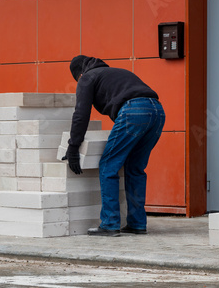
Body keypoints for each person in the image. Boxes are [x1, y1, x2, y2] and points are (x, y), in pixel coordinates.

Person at [62, 55, 165, 237]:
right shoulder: (116, 72)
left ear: (79, 74)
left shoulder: (87, 78)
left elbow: (81, 113)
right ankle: (137, 223)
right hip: (157, 111)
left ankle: (110, 224)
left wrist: (73, 146)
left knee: (108, 165)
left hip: (134, 111)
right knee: (135, 168)